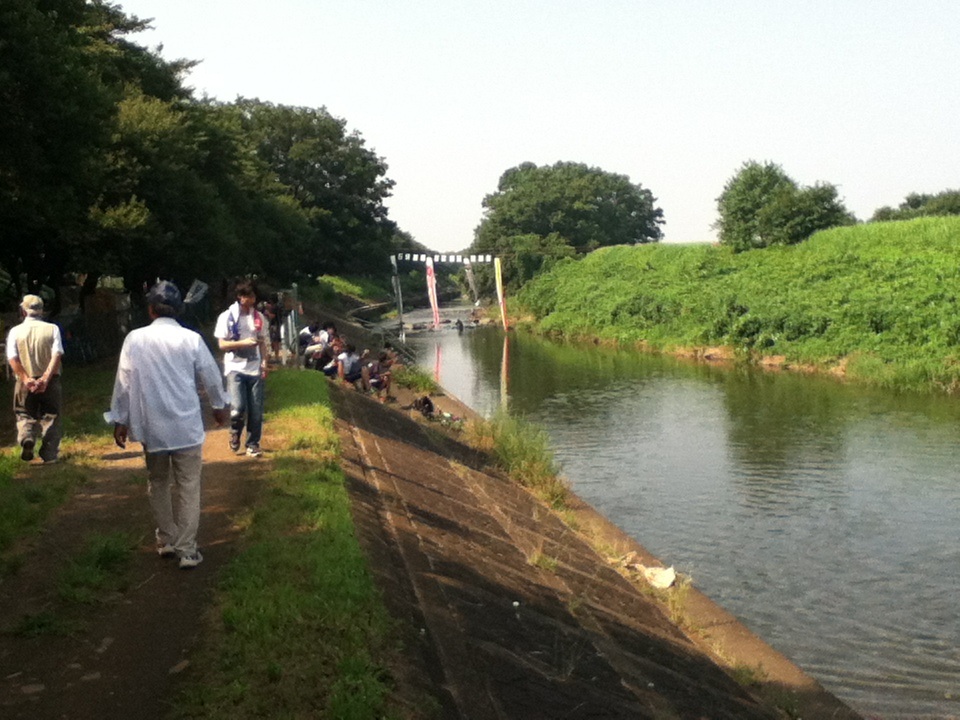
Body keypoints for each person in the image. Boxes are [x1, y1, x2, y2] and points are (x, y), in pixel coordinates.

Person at [106, 281, 229, 569]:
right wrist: (218, 406)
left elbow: (124, 382)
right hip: (185, 425)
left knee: (158, 482)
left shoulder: (134, 339)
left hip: (152, 427)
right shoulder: (191, 339)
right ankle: (187, 550)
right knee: (188, 486)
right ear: (178, 310)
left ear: (150, 309)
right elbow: (210, 376)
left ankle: (166, 540)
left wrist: (120, 419)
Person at [6, 295, 64, 463]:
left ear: (23, 311)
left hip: (24, 382)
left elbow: (12, 358)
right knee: (51, 415)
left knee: (24, 413)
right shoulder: (52, 329)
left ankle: (27, 438)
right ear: (41, 311)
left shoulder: (15, 332)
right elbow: (57, 354)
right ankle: (49, 454)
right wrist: (45, 378)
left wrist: (26, 379)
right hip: (50, 381)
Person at [214, 280, 269, 457]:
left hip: (254, 367)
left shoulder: (259, 318)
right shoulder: (227, 317)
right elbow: (222, 344)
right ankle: (235, 431)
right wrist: (242, 343)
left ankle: (253, 444)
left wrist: (265, 362)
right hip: (235, 367)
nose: (251, 300)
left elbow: (263, 343)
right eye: (248, 296)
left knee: (256, 410)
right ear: (240, 297)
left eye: (253, 296)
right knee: (237, 408)